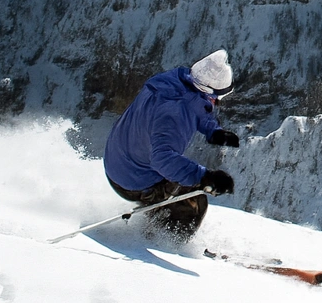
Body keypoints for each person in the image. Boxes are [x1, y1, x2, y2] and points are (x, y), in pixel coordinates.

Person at [103, 49, 241, 241]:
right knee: (194, 199)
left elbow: (195, 104)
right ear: (208, 92)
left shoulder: (174, 81)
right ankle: (162, 241)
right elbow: (163, 159)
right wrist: (205, 177)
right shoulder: (174, 115)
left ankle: (159, 219)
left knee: (182, 177)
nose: (217, 103)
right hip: (131, 180)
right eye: (218, 98)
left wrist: (213, 131)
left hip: (117, 157)